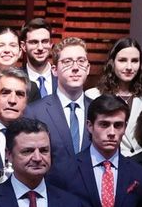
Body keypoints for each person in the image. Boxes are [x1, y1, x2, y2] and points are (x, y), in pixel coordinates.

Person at [24, 35, 93, 166]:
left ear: (88, 68)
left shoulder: (98, 110)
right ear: (54, 70)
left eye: (81, 61)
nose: (75, 67)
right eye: (67, 61)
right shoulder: (35, 112)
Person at [85, 36, 142, 155]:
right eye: (122, 60)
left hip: (141, 165)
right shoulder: (92, 95)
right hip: (106, 160)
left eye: (135, 61)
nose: (129, 67)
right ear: (112, 62)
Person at [22, 18, 55, 101]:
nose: (40, 48)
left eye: (44, 41)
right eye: (34, 42)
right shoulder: (15, 80)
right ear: (23, 46)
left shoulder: (62, 79)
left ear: (51, 44)